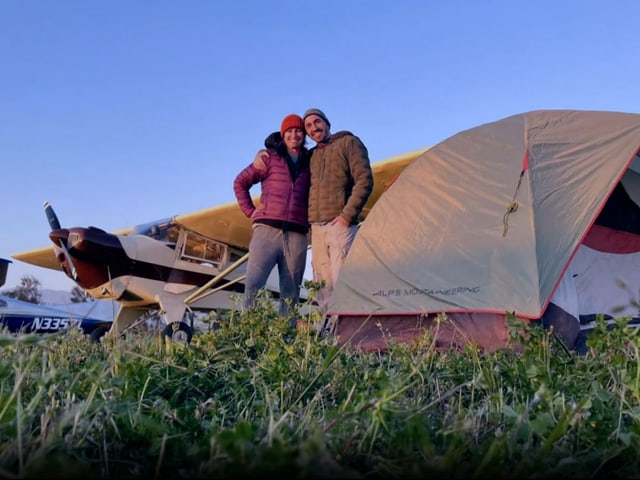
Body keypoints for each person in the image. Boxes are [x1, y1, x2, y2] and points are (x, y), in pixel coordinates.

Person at [253, 108, 374, 320]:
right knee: (322, 285)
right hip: (316, 228)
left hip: (340, 225)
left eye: (317, 122)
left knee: (343, 281)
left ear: (327, 123)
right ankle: (329, 334)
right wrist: (265, 150)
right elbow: (287, 150)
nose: (313, 128)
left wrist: (347, 216)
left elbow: (364, 180)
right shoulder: (312, 155)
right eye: (308, 126)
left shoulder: (349, 143)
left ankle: (350, 334)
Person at [234, 113, 311, 320]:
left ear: (304, 135)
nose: (294, 135)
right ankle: (247, 336)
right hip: (266, 232)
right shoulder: (269, 158)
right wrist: (251, 212)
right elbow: (240, 183)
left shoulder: (311, 161)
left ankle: (286, 339)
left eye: (298, 131)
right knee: (253, 286)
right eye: (290, 131)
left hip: (297, 234)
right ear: (283, 134)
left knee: (291, 293)